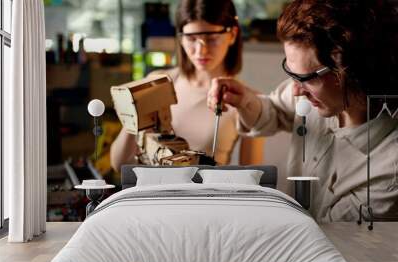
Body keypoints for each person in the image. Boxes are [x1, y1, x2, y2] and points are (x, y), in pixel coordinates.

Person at [207, 0, 398, 222]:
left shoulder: (389, 170)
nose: (296, 90)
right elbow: (277, 109)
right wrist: (245, 100)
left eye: (306, 78)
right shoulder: (321, 95)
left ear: (353, 70)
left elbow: (330, 238)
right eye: (290, 71)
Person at [110, 0, 264, 171]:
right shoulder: (156, 83)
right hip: (154, 194)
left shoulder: (249, 102)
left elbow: (252, 179)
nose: (201, 51)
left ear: (233, 34)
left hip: (205, 197)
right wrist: (134, 113)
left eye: (212, 39)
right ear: (180, 38)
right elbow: (119, 164)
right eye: (191, 38)